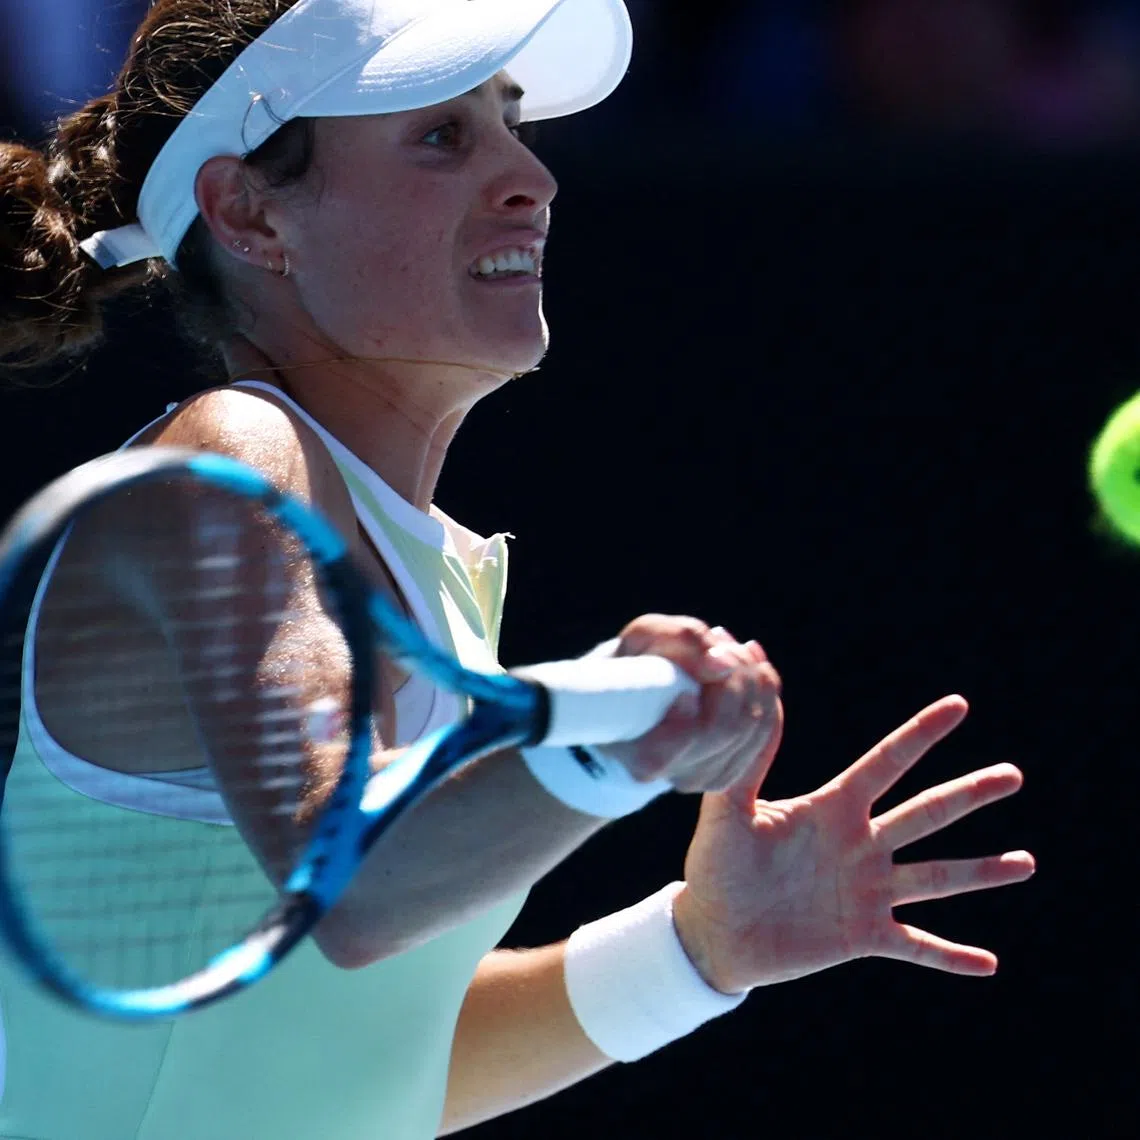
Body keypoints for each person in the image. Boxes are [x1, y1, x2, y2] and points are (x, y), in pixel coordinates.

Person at [0, 2, 1035, 1138]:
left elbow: (357, 1064)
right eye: (442, 137)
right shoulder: (233, 460)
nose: (530, 177)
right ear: (250, 212)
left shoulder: (432, 565)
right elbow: (352, 880)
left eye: (510, 121)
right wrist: (601, 745)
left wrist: (694, 952)